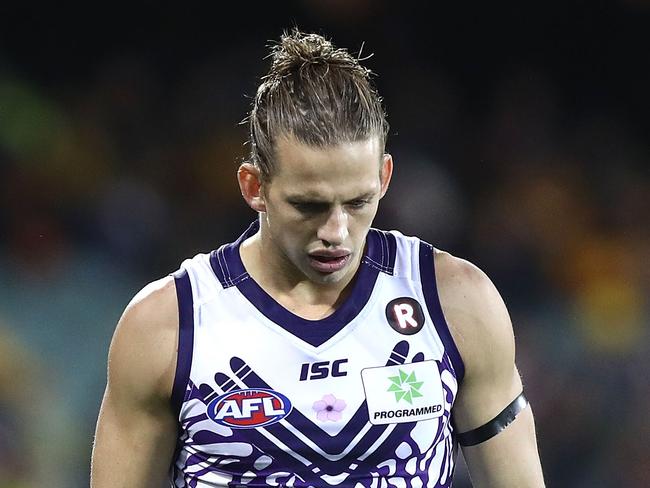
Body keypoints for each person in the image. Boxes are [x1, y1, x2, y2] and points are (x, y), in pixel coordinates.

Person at [91, 29, 545, 487]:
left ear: (384, 177)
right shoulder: (167, 327)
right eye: (309, 206)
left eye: (357, 202)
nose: (336, 232)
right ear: (254, 187)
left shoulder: (456, 304)